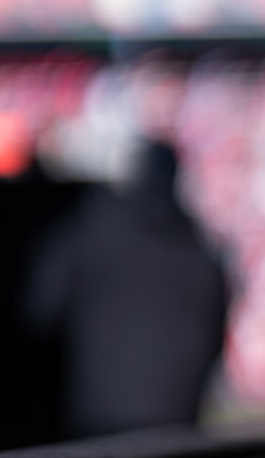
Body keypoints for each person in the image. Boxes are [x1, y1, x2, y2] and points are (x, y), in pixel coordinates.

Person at [25, 138, 229, 439]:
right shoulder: (202, 250)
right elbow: (215, 340)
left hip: (95, 423)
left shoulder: (88, 231)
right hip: (176, 426)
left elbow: (39, 310)